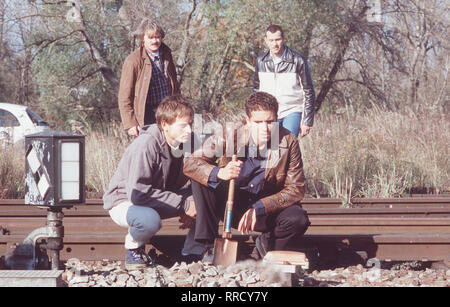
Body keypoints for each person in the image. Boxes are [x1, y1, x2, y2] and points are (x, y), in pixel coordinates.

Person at [183, 91, 310, 261]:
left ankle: (265, 246)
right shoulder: (230, 134)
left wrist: (260, 206)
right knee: (202, 178)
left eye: (270, 122)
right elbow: (191, 163)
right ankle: (208, 246)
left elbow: (296, 189)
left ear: (276, 118)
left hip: (264, 209)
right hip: (230, 205)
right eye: (258, 122)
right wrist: (220, 172)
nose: (264, 128)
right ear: (248, 121)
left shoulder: (288, 141)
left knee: (298, 218)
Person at [103, 95, 204, 269]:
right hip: (126, 200)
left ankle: (192, 253)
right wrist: (184, 205)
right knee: (149, 219)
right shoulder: (146, 144)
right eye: (182, 125)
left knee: (206, 198)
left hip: (158, 196)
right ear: (165, 124)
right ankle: (134, 248)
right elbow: (138, 194)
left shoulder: (191, 141)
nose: (188, 130)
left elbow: (202, 174)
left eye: (190, 124)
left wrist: (195, 204)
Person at [118, 18, 180, 138]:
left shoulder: (167, 55)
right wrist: (130, 123)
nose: (154, 41)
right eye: (150, 38)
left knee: (172, 148)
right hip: (147, 114)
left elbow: (175, 85)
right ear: (143, 38)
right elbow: (124, 96)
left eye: (157, 37)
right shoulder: (133, 61)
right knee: (150, 149)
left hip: (168, 110)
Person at [253, 24, 316, 138]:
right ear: (266, 40)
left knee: (287, 147)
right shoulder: (260, 61)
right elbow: (256, 91)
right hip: (269, 113)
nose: (274, 44)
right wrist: (255, 116)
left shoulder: (298, 60)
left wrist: (306, 121)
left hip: (292, 111)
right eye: (271, 40)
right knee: (271, 151)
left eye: (278, 39)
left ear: (283, 38)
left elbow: (308, 91)